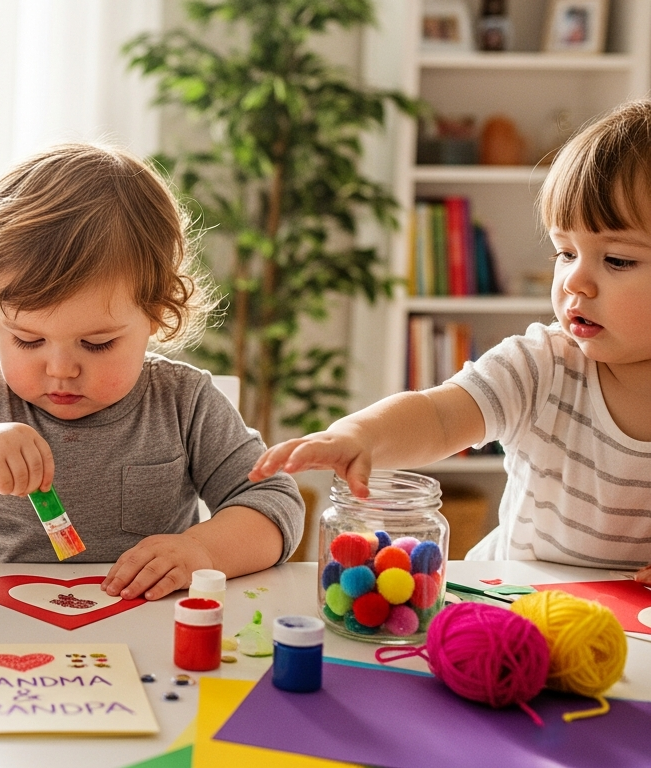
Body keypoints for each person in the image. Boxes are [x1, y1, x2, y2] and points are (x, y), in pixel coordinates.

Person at [0, 144, 305, 601]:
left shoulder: (183, 402)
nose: (61, 369)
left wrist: (201, 550)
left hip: (142, 627)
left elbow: (274, 503)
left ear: (156, 312)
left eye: (97, 344)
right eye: (27, 340)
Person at [251, 100, 651, 580]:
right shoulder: (540, 365)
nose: (574, 282)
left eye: (618, 260)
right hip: (517, 598)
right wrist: (359, 436)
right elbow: (438, 416)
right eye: (564, 253)